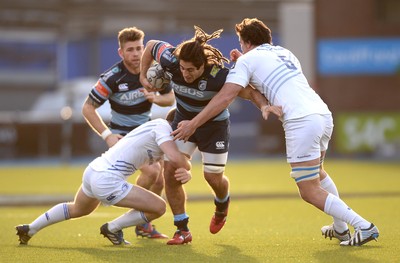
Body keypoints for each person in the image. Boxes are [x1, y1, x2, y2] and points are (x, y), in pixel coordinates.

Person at [172, 18, 379, 247]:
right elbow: (271, 78)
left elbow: (226, 96)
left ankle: (364, 226)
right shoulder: (285, 53)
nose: (240, 47)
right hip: (322, 114)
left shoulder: (247, 60)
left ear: (247, 41)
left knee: (309, 191)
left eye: (241, 42)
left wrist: (193, 123)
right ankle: (340, 229)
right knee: (318, 173)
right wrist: (244, 63)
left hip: (300, 121)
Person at [140, 26, 270, 245]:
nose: (185, 74)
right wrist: (143, 76)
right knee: (170, 171)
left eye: (191, 70)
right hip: (183, 122)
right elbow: (151, 45)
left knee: (212, 178)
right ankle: (182, 229)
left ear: (203, 66)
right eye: (182, 69)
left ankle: (222, 203)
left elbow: (249, 92)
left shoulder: (219, 75)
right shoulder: (172, 60)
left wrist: (264, 106)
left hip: (214, 128)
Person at [15, 115, 192, 246]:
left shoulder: (156, 131)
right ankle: (113, 228)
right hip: (107, 179)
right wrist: (188, 168)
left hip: (94, 170)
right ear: (176, 124)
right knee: (159, 207)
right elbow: (176, 159)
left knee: (77, 208)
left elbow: (169, 164)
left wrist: (184, 168)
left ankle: (30, 228)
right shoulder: (162, 127)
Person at [82, 26, 175, 238]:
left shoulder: (153, 72)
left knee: (159, 180)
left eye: (139, 48)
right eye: (130, 49)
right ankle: (130, 210)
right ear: (121, 52)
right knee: (152, 173)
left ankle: (143, 225)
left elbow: (170, 99)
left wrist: (155, 98)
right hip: (123, 137)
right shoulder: (112, 78)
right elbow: (87, 108)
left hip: (147, 133)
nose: (135, 54)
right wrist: (107, 135)